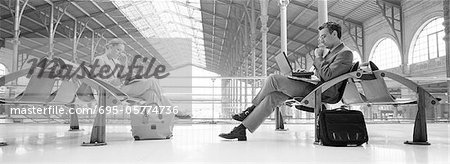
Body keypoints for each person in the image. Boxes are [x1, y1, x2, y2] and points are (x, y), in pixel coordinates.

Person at [219, 22, 354, 141]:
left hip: (322, 92)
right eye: (320, 37)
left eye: (323, 36)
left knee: (273, 79)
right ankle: (241, 130)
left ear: (335, 34)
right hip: (314, 86)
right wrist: (306, 74)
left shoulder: (345, 53)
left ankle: (250, 109)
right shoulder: (332, 52)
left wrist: (318, 57)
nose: (321, 39)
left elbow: (328, 75)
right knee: (272, 97)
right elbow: (322, 73)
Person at [93, 38, 165, 105]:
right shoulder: (100, 60)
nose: (120, 53)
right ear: (110, 47)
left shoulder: (116, 62)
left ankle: (158, 117)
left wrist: (125, 63)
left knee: (150, 94)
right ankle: (167, 107)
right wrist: (121, 79)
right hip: (113, 91)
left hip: (122, 88)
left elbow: (124, 75)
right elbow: (101, 82)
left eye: (121, 51)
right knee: (152, 81)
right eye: (118, 50)